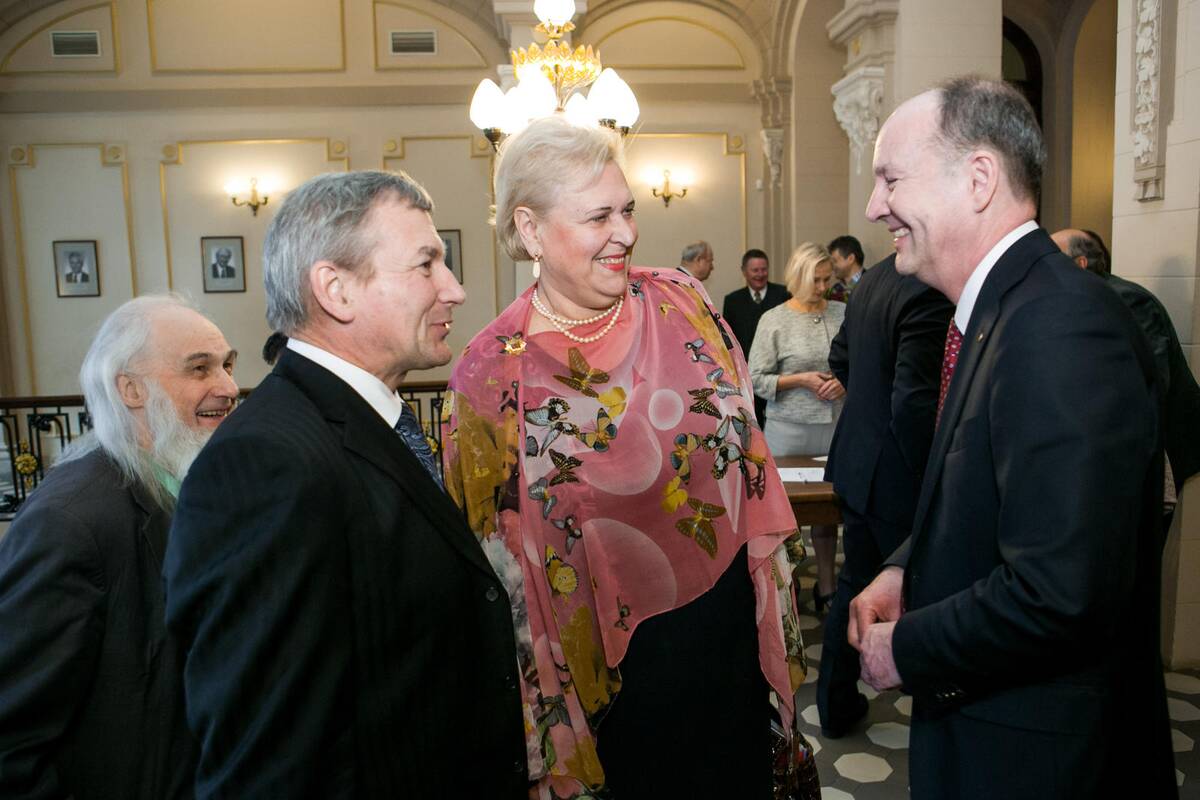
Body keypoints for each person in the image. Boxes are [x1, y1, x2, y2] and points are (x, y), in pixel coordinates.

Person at [443, 115, 817, 800]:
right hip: (608, 681)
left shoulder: (684, 302)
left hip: (726, 633)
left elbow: (747, 451)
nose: (625, 233)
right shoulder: (490, 373)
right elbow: (492, 571)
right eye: (598, 217)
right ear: (529, 229)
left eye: (628, 209)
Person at [851, 77, 1175, 798]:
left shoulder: (1058, 326)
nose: (874, 207)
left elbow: (1059, 592)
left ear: (978, 179)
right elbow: (988, 492)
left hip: (1039, 760)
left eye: (891, 180)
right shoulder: (1003, 311)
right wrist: (908, 568)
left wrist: (907, 647)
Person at [164, 171, 528, 798]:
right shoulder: (264, 462)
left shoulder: (368, 420)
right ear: (336, 290)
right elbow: (268, 759)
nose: (455, 289)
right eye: (427, 264)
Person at [0, 294, 237, 799]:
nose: (228, 387)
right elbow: (11, 739)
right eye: (199, 369)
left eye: (227, 365)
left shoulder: (192, 486)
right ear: (130, 389)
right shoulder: (68, 522)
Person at [816, 253, 952, 738]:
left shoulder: (875, 276)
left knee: (854, 583)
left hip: (858, 463)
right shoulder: (930, 286)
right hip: (900, 474)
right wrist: (933, 476)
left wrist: (869, 406)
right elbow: (914, 403)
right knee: (920, 592)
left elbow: (840, 358)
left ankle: (835, 704)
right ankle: (934, 718)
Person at [1051, 227, 1200, 523]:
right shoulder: (1077, 300)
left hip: (1159, 450)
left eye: (1054, 257)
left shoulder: (1128, 300)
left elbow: (1148, 384)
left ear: (1080, 264)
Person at [747, 242, 846, 613]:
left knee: (828, 510)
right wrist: (800, 379)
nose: (822, 288)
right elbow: (756, 378)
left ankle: (827, 584)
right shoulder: (774, 319)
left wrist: (844, 381)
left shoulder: (843, 313)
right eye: (815, 280)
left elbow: (859, 363)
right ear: (797, 278)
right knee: (783, 514)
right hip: (788, 431)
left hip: (834, 426)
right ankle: (783, 590)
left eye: (827, 279)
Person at [722, 248, 789, 425]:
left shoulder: (784, 295)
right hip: (746, 375)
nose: (760, 274)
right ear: (744, 272)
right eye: (755, 270)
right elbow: (728, 340)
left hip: (778, 376)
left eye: (764, 269)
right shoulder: (733, 301)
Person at [826, 235, 864, 302]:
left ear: (851, 258)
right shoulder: (836, 289)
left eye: (835, 261)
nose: (832, 266)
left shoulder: (871, 283)